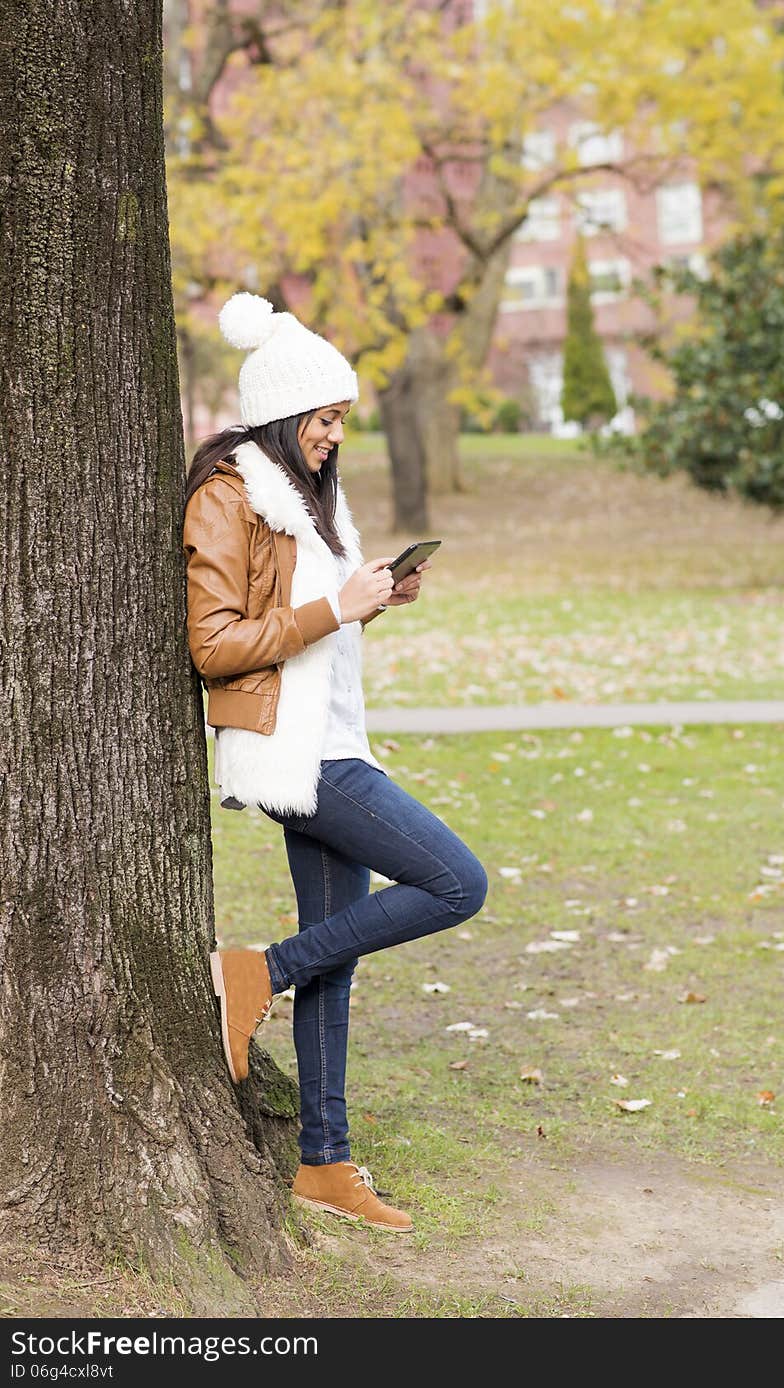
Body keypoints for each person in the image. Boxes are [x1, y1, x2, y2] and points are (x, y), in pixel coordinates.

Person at [182, 292, 488, 1234]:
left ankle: (322, 1164)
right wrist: (336, 609)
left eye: (343, 420)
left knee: (339, 961)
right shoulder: (230, 496)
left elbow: (319, 622)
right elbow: (212, 643)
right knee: (455, 882)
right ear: (280, 414)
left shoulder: (312, 503)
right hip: (294, 753)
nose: (334, 434)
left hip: (334, 741)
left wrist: (374, 597)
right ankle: (256, 971)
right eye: (323, 418)